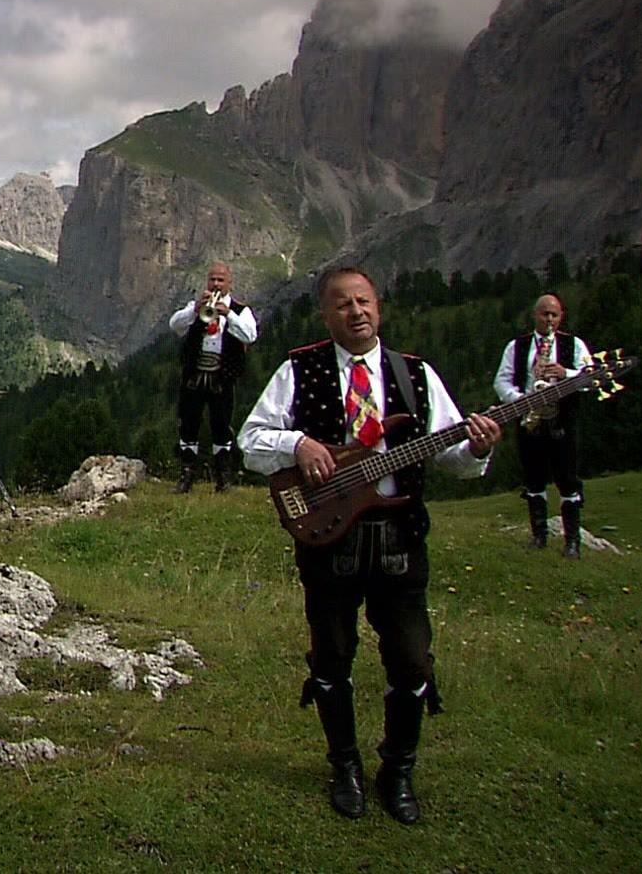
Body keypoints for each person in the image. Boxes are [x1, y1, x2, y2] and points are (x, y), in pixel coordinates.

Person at [239, 266, 502, 825]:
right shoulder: (299, 369)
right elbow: (251, 443)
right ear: (325, 315)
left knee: (411, 661)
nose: (355, 311)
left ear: (378, 307)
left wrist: (478, 448)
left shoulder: (416, 376)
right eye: (342, 304)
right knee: (331, 655)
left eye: (363, 301)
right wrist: (299, 443)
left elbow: (456, 462)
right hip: (328, 538)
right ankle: (344, 766)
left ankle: (398, 770)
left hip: (398, 542)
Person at [494, 294, 592, 557]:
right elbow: (501, 382)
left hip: (562, 420)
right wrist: (522, 401)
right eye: (544, 314)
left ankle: (572, 541)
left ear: (561, 317)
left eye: (554, 315)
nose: (549, 319)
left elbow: (592, 377)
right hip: (530, 421)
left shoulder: (574, 346)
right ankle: (539, 536)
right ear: (535, 315)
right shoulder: (517, 347)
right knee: (534, 478)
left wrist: (566, 374)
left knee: (567, 478)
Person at [168, 262, 258, 492]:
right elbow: (175, 325)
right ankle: (186, 476)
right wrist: (195, 309)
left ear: (230, 283)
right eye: (212, 280)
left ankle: (223, 478)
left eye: (220, 280)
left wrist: (228, 315)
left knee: (221, 424)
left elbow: (250, 336)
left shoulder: (240, 310)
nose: (216, 284)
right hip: (195, 374)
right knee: (188, 423)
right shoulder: (197, 306)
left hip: (223, 376)